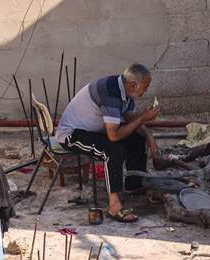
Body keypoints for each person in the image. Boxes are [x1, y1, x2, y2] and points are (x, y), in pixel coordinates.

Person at [55, 63, 160, 223]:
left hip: (94, 131)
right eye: (145, 87)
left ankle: (134, 185)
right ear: (133, 84)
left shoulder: (126, 91)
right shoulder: (110, 93)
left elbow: (131, 119)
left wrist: (149, 137)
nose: (146, 91)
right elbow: (114, 136)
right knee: (113, 150)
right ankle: (114, 205)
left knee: (137, 137)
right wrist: (143, 118)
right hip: (71, 135)